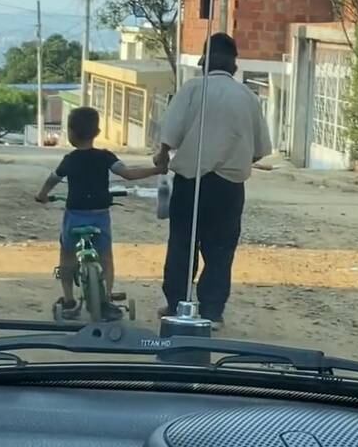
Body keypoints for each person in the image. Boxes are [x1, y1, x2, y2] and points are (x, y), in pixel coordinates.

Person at [155, 33, 272, 329]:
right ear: (234, 65)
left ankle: (176, 304)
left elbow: (169, 135)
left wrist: (163, 156)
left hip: (190, 182)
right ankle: (211, 311)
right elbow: (260, 150)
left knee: (183, 244)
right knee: (221, 249)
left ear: (204, 62)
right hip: (229, 187)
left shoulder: (192, 89)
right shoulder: (247, 97)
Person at [35, 107, 163, 321]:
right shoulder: (105, 157)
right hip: (100, 215)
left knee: (67, 255)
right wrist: (157, 170)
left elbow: (53, 179)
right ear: (97, 132)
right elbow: (128, 174)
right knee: (105, 256)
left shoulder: (69, 159)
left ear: (71, 132)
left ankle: (68, 300)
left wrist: (42, 195)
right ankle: (107, 300)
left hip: (75, 215)